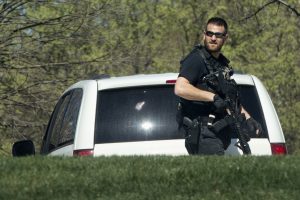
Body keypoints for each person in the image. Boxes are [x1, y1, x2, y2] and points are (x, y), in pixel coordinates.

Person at [175, 17, 262, 155]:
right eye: (210, 34)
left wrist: (248, 117)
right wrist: (212, 97)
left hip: (220, 132)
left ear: (225, 38)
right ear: (204, 34)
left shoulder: (221, 64)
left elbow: (228, 98)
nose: (213, 38)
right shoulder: (196, 59)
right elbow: (180, 88)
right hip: (203, 134)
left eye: (218, 35)